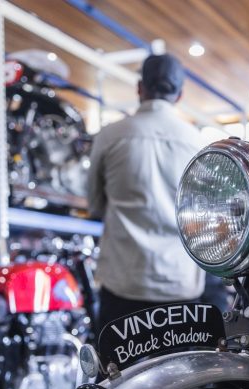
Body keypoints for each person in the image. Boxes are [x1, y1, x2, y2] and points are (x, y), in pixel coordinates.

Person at [88, 53, 206, 333]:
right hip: (180, 285)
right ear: (179, 95)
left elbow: (94, 204)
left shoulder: (110, 136)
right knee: (180, 375)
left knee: (117, 375)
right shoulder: (197, 143)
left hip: (123, 283)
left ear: (140, 88)